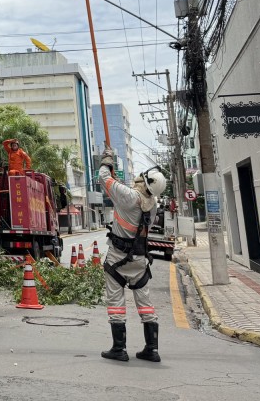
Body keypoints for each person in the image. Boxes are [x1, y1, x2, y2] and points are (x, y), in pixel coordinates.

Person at [98, 147, 168, 363]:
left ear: (144, 182)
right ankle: (152, 349)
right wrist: (118, 183)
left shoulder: (128, 196)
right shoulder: (152, 206)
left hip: (118, 259)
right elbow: (126, 192)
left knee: (116, 302)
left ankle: (119, 349)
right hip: (139, 260)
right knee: (145, 303)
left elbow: (103, 177)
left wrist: (107, 158)